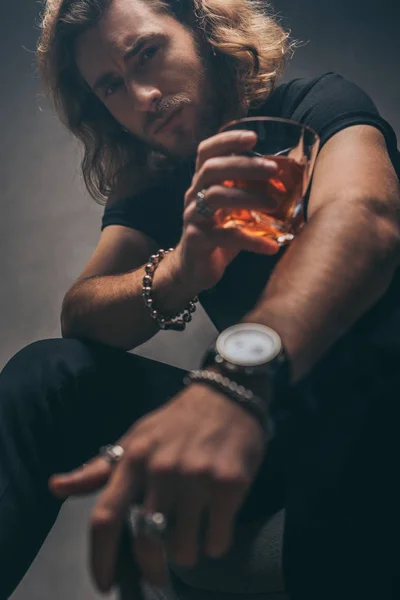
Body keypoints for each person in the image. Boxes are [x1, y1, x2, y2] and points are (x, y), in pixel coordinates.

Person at [1, 0, 399, 598]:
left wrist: (238, 376)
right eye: (112, 85)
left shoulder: (315, 104)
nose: (142, 96)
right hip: (277, 438)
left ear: (204, 31)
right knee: (47, 375)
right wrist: (183, 270)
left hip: (372, 408)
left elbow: (364, 218)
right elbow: (80, 313)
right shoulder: (158, 182)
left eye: (147, 53)